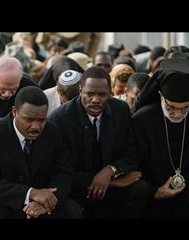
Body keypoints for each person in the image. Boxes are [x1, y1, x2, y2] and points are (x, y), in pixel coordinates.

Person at [49, 66, 149, 218]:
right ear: (80, 90)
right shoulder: (60, 119)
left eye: (102, 94)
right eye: (89, 94)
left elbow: (132, 153)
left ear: (111, 92)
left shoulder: (120, 110)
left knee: (141, 189)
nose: (95, 99)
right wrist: (106, 182)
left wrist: (110, 170)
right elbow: (61, 170)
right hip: (77, 189)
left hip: (113, 182)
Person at [0, 86, 81, 218]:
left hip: (40, 205)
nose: (36, 126)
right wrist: (31, 194)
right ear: (14, 111)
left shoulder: (53, 132)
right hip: (1, 205)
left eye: (41, 120)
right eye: (29, 119)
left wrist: (46, 201)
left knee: (72, 210)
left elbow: (65, 172)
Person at [133, 58, 189, 217]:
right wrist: (155, 191)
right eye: (171, 107)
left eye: (185, 108)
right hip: (153, 196)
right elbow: (134, 165)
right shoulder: (142, 120)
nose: (178, 114)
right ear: (160, 95)